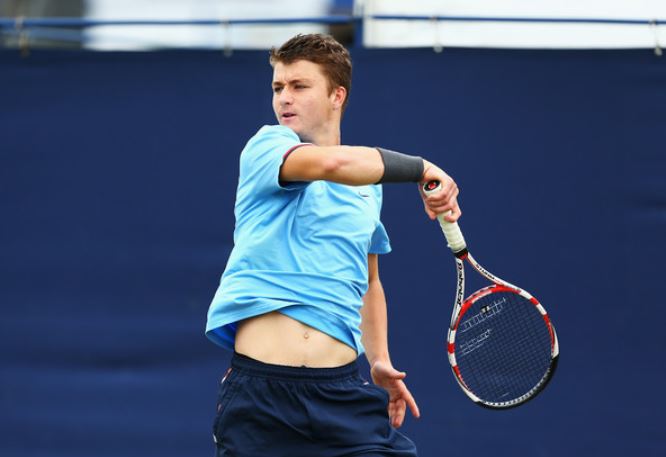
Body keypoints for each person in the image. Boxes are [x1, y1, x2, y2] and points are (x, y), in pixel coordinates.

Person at [206, 33, 461, 457]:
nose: (284, 98)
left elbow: (369, 281)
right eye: (277, 87)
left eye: (299, 86)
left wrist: (379, 359)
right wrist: (423, 168)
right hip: (262, 397)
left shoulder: (367, 186)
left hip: (341, 395)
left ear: (336, 95)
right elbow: (332, 164)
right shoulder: (267, 146)